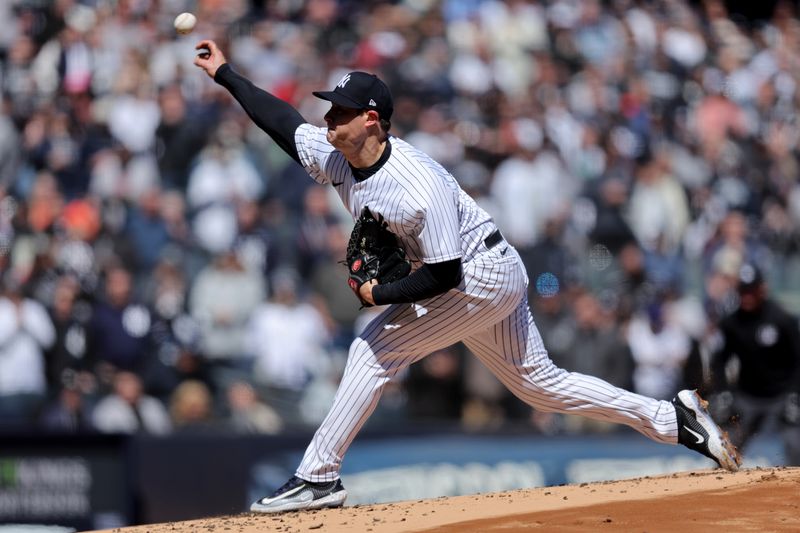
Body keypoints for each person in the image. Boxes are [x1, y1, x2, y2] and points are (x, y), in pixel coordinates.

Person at [193, 39, 741, 514]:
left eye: (341, 111)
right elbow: (284, 123)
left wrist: (377, 293)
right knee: (539, 386)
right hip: (485, 271)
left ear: (373, 121)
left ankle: (318, 475)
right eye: (331, 109)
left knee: (374, 350)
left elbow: (442, 274)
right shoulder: (337, 153)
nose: (329, 118)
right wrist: (227, 74)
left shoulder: (416, 185)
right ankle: (674, 419)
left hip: (478, 274)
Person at [711, 263, 800, 465]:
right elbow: (719, 361)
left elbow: (798, 359)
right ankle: (717, 490)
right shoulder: (731, 323)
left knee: (796, 444)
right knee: (725, 450)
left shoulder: (782, 318)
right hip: (748, 395)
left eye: (751, 291)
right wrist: (723, 391)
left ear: (762, 289)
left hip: (782, 394)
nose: (747, 297)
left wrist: (795, 394)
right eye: (743, 291)